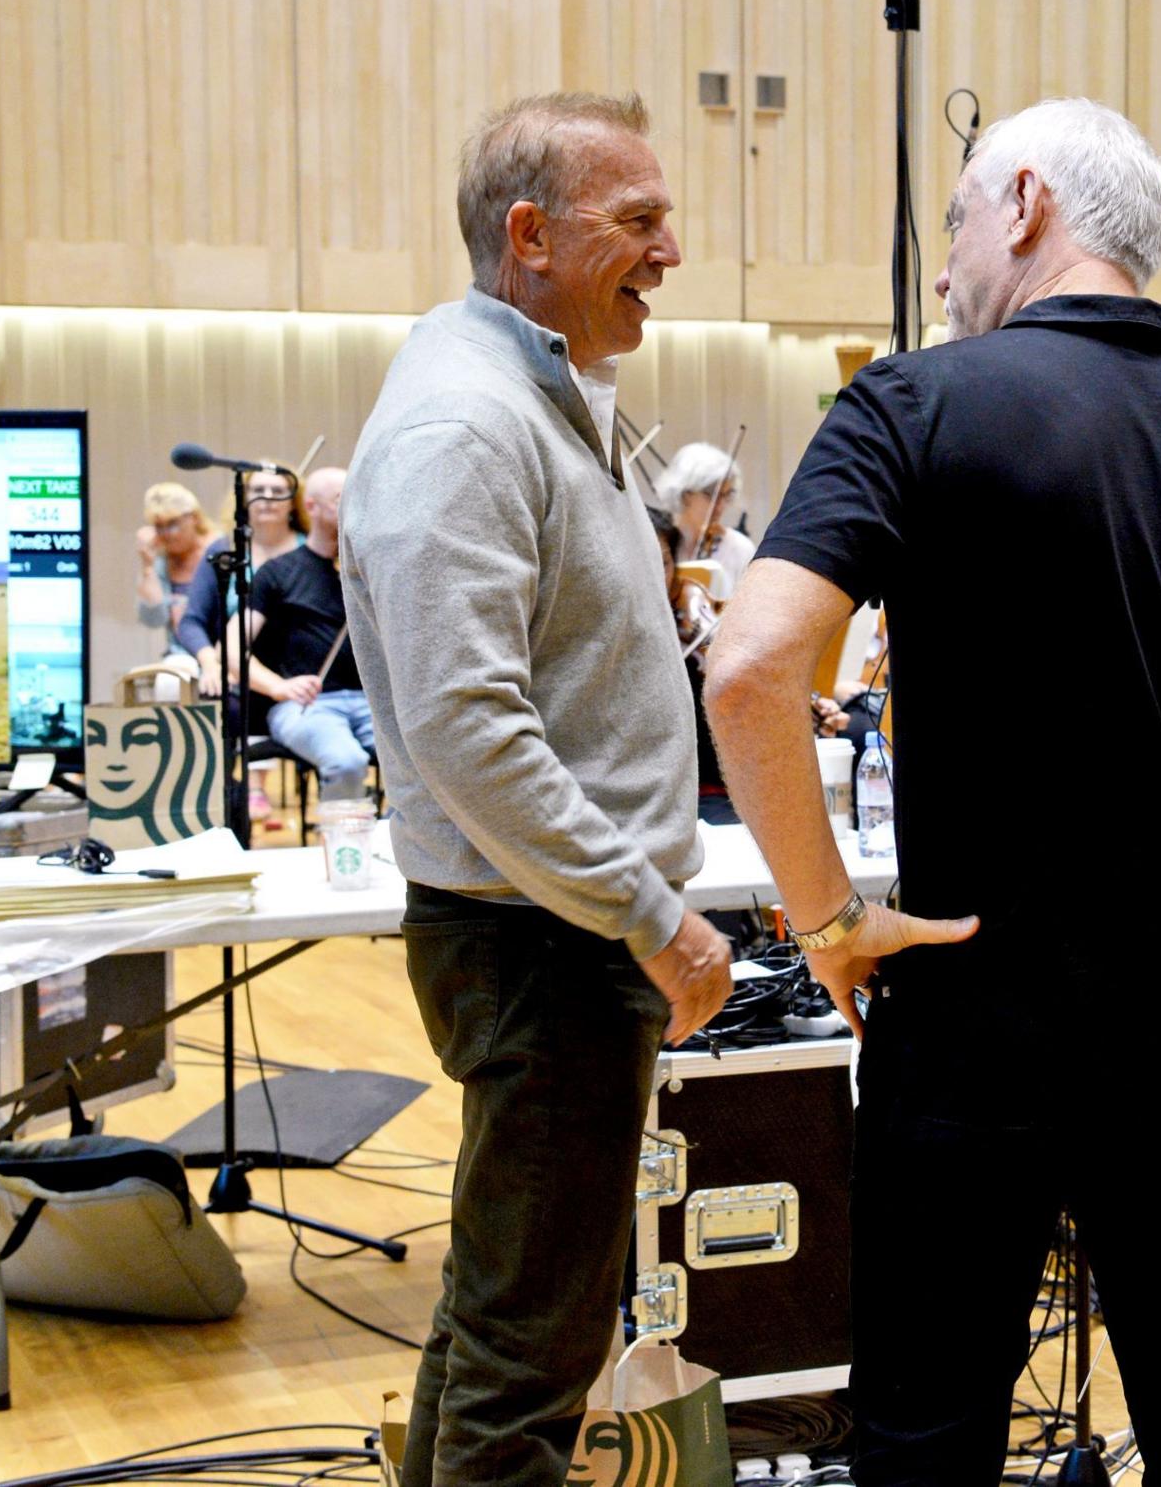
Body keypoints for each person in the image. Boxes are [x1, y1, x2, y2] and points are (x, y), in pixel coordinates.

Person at [704, 97, 1161, 1486]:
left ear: (1029, 205)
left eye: (954, 220)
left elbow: (749, 667)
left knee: (928, 1428)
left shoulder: (916, 399)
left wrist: (827, 923)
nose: (944, 268)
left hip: (972, 1008)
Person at [339, 90, 733, 1487]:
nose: (671, 248)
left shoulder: (528, 393)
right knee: (531, 1351)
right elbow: (467, 722)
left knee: (503, 1314)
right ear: (529, 236)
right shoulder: (468, 422)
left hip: (548, 928)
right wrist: (649, 911)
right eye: (638, 220)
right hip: (546, 938)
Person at [245, 468, 378, 802]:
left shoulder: (367, 571)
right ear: (311, 506)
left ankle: (395, 842)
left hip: (370, 703)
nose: (352, 504)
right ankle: (344, 848)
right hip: (308, 706)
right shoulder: (278, 572)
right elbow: (230, 651)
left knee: (421, 761)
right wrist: (278, 686)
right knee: (346, 761)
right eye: (339, 498)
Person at [176, 463, 305, 704]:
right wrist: (210, 663)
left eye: (277, 492)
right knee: (214, 703)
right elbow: (192, 621)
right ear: (244, 498)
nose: (267, 497)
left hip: (298, 673)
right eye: (258, 490)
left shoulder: (311, 552)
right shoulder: (223, 551)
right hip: (235, 671)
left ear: (293, 502)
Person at [654, 441, 755, 599]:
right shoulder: (662, 545)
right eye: (711, 495)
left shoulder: (740, 548)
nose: (721, 506)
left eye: (726, 495)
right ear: (685, 494)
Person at [135, 482, 225, 659]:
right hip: (183, 654)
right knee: (169, 680)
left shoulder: (221, 550)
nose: (168, 534)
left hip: (225, 648)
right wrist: (147, 566)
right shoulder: (161, 561)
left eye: (173, 524)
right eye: (159, 527)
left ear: (194, 518)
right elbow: (153, 619)